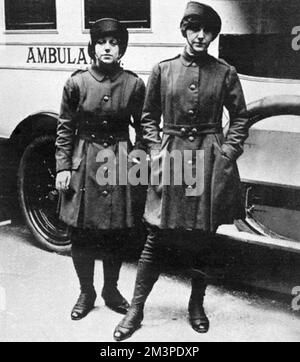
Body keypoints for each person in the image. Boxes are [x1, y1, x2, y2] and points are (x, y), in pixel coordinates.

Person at [113, 1, 249, 341]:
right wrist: (157, 151)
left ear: (213, 35)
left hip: (208, 162)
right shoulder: (163, 69)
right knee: (156, 236)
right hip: (170, 158)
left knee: (203, 239)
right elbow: (148, 117)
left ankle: (196, 305)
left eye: (207, 32)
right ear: (184, 31)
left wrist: (227, 153)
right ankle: (136, 309)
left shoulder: (224, 73)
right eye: (194, 29)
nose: (200, 36)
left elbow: (241, 118)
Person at [55, 18, 146, 320]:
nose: (108, 47)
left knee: (115, 232)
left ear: (122, 49)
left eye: (114, 43)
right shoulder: (77, 83)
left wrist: (138, 157)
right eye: (102, 42)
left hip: (119, 160)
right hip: (85, 160)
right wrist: (63, 167)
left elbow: (145, 129)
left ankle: (110, 289)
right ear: (93, 47)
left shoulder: (134, 84)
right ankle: (86, 291)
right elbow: (65, 129)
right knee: (81, 233)